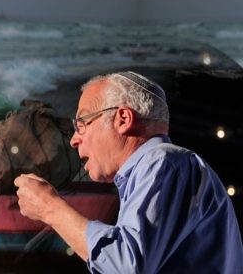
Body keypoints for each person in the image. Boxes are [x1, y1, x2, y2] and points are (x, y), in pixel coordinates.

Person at [14, 71, 243, 273]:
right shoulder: (164, 168)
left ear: (123, 119)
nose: (74, 139)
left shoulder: (163, 162)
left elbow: (127, 266)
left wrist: (50, 207)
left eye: (82, 122)